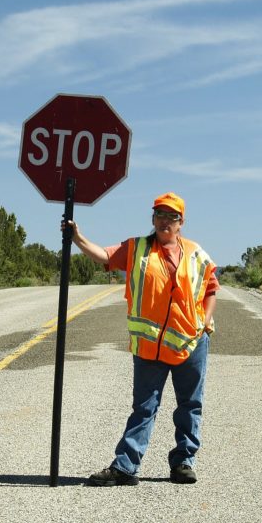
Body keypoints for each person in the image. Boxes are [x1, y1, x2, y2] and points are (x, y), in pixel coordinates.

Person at [63, 192, 219, 486]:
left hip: (191, 342)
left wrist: (205, 321)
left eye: (171, 216)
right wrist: (77, 239)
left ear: (181, 222)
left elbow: (211, 288)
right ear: (152, 219)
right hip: (150, 346)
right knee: (144, 407)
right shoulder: (137, 249)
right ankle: (125, 466)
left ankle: (184, 462)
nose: (164, 221)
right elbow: (106, 256)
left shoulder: (196, 253)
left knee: (190, 404)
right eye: (159, 215)